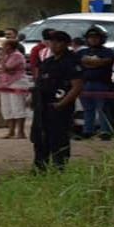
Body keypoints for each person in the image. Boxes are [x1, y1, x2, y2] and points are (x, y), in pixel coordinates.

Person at [32, 29, 83, 171]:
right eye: (51, 42)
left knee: (59, 139)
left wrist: (62, 104)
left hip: (60, 106)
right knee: (40, 137)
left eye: (57, 42)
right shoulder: (48, 61)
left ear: (65, 44)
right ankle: (40, 167)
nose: (54, 45)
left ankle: (59, 168)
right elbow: (40, 82)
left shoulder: (71, 61)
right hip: (43, 104)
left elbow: (77, 86)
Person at [75, 26, 114, 140]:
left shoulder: (108, 51)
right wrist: (96, 62)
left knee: (103, 109)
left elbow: (105, 62)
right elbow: (79, 63)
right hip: (85, 84)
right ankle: (88, 130)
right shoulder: (81, 52)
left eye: (96, 37)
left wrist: (89, 62)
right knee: (88, 109)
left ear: (102, 38)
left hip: (102, 83)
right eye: (90, 37)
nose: (93, 39)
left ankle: (105, 131)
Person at [0, 38, 29, 139]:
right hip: (5, 84)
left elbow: (6, 68)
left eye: (4, 45)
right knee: (7, 107)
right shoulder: (7, 56)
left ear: (9, 46)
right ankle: (11, 131)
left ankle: (21, 131)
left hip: (16, 83)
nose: (3, 48)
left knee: (17, 106)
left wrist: (2, 61)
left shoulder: (17, 55)